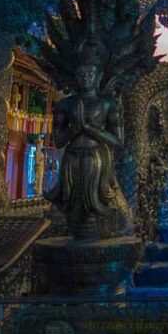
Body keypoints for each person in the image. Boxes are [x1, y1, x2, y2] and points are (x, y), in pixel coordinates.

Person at [45, 53, 123, 240]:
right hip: (72, 157)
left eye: (90, 74)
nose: (85, 78)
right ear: (75, 77)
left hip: (97, 157)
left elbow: (118, 141)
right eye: (81, 74)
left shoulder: (108, 104)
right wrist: (74, 130)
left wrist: (87, 127)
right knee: (73, 200)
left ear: (98, 76)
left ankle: (94, 236)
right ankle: (77, 237)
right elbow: (58, 141)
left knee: (95, 201)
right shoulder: (65, 104)